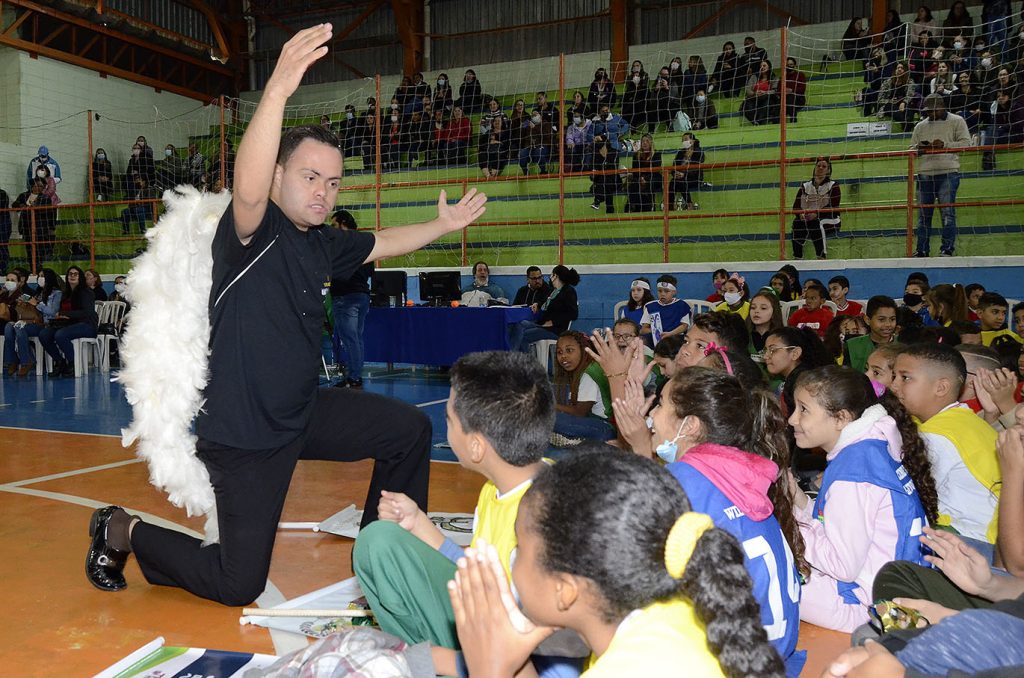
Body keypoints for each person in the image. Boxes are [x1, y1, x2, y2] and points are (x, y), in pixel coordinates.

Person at [84, 24, 488, 604]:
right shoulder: (252, 231)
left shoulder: (323, 242)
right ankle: (121, 529)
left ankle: (385, 551)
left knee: (408, 431)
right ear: (278, 176)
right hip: (246, 435)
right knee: (237, 583)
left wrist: (443, 226)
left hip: (303, 413)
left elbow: (384, 241)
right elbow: (247, 187)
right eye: (308, 177)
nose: (324, 192)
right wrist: (274, 91)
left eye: (333, 181)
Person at [449, 448, 787, 678]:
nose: (513, 558)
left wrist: (487, 672)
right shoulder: (671, 615)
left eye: (519, 547)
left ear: (565, 592)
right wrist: (512, 662)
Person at [352, 351, 566, 673]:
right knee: (379, 541)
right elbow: (476, 570)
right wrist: (419, 524)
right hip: (494, 631)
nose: (446, 426)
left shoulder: (544, 519)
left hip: (520, 662)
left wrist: (431, 659)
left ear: (477, 447)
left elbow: (546, 656)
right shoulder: (505, 486)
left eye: (449, 420)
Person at [630, 367, 806, 674]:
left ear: (690, 425)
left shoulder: (681, 482)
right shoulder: (747, 469)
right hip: (776, 654)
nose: (652, 416)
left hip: (731, 663)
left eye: (660, 405)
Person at [787, 365, 937, 632]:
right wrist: (798, 500)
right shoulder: (871, 443)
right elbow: (836, 526)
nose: (792, 420)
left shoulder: (854, 474)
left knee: (767, 577)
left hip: (873, 608)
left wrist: (791, 526)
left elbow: (841, 566)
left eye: (804, 410)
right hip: (902, 588)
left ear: (841, 418)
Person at [890, 342, 1000, 550]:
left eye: (905, 378)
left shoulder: (937, 435)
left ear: (941, 387)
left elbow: (908, 495)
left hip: (978, 541)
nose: (894, 385)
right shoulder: (961, 417)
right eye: (894, 376)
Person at [912, 93, 971, 257]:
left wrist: (944, 145)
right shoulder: (920, 126)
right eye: (928, 111)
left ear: (942, 106)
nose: (931, 114)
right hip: (925, 173)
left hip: (948, 172)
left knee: (947, 214)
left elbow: (966, 143)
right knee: (923, 215)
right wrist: (921, 149)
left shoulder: (957, 121)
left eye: (934, 110)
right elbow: (911, 149)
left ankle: (947, 249)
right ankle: (922, 250)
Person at [328, 209, 372, 390]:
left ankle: (354, 377)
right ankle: (354, 375)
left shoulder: (341, 245)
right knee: (356, 339)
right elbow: (370, 271)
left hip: (345, 297)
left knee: (350, 339)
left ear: (343, 224)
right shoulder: (366, 242)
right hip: (362, 296)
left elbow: (336, 271)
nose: (332, 229)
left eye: (334, 225)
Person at [551, 331, 615, 443]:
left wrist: (551, 406)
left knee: (547, 417)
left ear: (583, 350)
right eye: (559, 352)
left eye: (569, 350)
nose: (563, 356)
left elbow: (579, 413)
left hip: (605, 428)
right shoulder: (588, 366)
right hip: (598, 421)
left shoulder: (588, 374)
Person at [37, 265, 97, 378]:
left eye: (76, 274)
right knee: (44, 334)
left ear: (80, 277)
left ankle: (72, 363)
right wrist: (60, 316)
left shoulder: (86, 292)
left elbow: (87, 313)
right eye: (70, 274)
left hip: (87, 325)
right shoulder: (65, 293)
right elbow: (61, 311)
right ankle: (60, 362)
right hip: (68, 324)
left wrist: (65, 314)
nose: (72, 276)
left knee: (61, 335)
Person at [3, 268, 62, 377]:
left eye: (43, 276)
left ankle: (26, 361)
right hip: (29, 321)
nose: (40, 278)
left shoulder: (56, 293)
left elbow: (53, 312)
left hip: (44, 324)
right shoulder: (38, 292)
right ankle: (13, 360)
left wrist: (37, 304)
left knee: (19, 328)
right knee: (9, 326)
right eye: (39, 276)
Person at [507, 265, 579, 353]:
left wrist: (553, 321)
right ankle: (518, 359)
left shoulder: (568, 291)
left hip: (555, 329)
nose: (550, 277)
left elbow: (573, 313)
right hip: (543, 325)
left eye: (551, 275)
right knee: (518, 324)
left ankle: (516, 359)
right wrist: (538, 304)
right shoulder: (554, 291)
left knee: (522, 335)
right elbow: (547, 303)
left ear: (555, 276)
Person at [790, 157, 841, 260]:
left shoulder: (833, 186)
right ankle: (798, 257)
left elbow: (833, 206)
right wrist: (800, 214)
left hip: (831, 219)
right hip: (809, 219)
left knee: (817, 223)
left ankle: (821, 256)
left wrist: (817, 214)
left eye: (824, 166)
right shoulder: (805, 186)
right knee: (797, 223)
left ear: (828, 170)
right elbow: (796, 206)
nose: (820, 168)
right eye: (818, 166)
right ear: (814, 168)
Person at [844, 296, 899, 372]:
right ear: (867, 320)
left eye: (892, 319)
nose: (888, 324)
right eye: (881, 319)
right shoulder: (852, 346)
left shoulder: (903, 344)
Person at [12, 178, 57, 264]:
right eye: (36, 185)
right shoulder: (23, 195)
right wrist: (22, 206)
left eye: (41, 186)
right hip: (26, 227)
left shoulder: (45, 198)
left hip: (40, 228)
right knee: (29, 251)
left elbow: (47, 212)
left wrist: (34, 208)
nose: (38, 188)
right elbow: (15, 205)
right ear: (32, 185)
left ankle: (39, 269)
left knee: (39, 251)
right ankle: (32, 269)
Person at [640, 275, 691, 345]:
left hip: (676, 338)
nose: (662, 294)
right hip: (656, 341)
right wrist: (657, 332)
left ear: (674, 292)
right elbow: (643, 330)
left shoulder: (682, 305)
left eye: (666, 291)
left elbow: (684, 326)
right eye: (660, 291)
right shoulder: (650, 307)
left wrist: (670, 333)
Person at [877, 62, 918, 131]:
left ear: (905, 71)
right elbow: (880, 99)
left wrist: (904, 102)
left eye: (902, 68)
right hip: (890, 105)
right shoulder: (887, 82)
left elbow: (910, 95)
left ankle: (906, 126)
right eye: (897, 68)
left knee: (909, 107)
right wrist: (890, 101)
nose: (899, 69)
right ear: (894, 70)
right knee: (889, 106)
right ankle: (908, 124)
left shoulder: (910, 82)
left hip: (903, 104)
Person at [667, 132, 704, 211]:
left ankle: (689, 204)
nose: (684, 142)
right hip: (680, 178)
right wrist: (676, 173)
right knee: (673, 181)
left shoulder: (698, 152)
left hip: (694, 178)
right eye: (682, 140)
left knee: (679, 181)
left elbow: (696, 168)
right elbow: (674, 166)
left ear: (693, 141)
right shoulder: (681, 152)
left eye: (686, 139)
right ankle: (671, 205)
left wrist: (684, 174)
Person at [625, 134, 660, 213]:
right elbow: (635, 170)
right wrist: (641, 178)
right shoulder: (636, 155)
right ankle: (632, 206)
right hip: (639, 178)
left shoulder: (656, 154)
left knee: (650, 183)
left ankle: (651, 206)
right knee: (634, 184)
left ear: (651, 142)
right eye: (643, 141)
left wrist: (645, 179)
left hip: (653, 177)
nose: (644, 143)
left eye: (647, 141)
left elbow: (655, 170)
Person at [747, 288, 784, 356]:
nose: (756, 311)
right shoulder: (743, 335)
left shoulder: (782, 338)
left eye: (763, 308)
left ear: (774, 313)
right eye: (753, 307)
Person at [742, 60, 780, 125]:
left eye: (764, 66)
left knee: (767, 102)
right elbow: (748, 89)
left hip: (767, 98)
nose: (762, 67)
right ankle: (755, 121)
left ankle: (759, 121)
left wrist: (765, 92)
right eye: (761, 66)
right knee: (746, 105)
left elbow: (775, 90)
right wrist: (754, 93)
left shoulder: (774, 78)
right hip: (754, 98)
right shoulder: (754, 77)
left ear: (769, 67)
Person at [518, 108, 553, 175]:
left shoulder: (546, 124)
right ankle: (526, 172)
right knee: (521, 154)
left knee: (538, 152)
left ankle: (543, 170)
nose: (534, 116)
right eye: (533, 115)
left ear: (540, 116)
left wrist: (535, 128)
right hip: (530, 147)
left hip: (543, 146)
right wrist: (523, 126)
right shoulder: (528, 124)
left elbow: (547, 137)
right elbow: (520, 134)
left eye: (536, 114)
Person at [622, 60, 649, 132]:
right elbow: (628, 94)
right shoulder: (629, 78)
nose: (635, 67)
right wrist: (633, 85)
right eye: (634, 66)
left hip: (642, 101)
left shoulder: (645, 76)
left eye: (637, 66)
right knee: (631, 105)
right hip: (631, 101)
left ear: (641, 67)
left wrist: (637, 85)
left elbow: (645, 92)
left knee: (634, 104)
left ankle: (632, 127)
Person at [782, 58, 807, 123]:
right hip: (785, 99)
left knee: (791, 97)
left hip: (798, 98)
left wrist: (792, 90)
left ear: (795, 65)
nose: (789, 66)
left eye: (791, 64)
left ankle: (793, 121)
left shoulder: (800, 75)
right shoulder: (783, 77)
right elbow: (779, 89)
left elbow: (802, 89)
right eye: (787, 65)